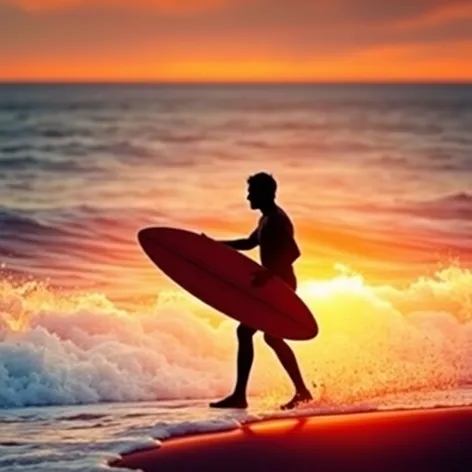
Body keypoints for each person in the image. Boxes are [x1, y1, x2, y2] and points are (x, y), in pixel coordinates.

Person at [209, 172, 313, 410]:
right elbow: (248, 243)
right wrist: (215, 245)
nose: (248, 197)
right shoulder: (266, 219)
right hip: (275, 284)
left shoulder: (276, 220)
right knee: (270, 337)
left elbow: (294, 253)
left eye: (251, 192)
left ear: (264, 193)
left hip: (280, 285)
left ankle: (240, 396)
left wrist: (269, 274)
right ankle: (302, 391)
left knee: (245, 332)